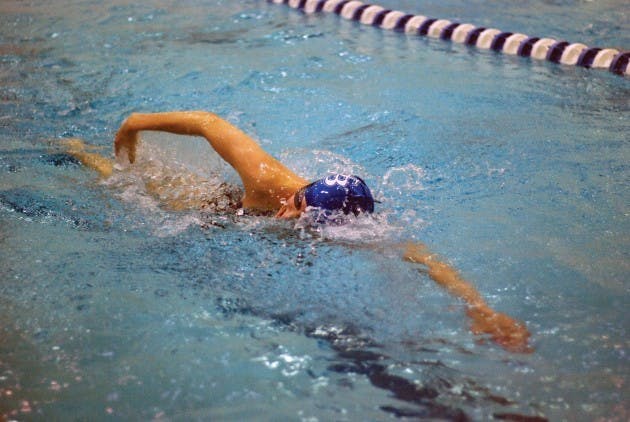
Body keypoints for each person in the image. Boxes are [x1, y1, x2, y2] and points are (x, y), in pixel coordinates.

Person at [65, 110, 531, 353]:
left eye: (304, 216)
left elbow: (422, 258)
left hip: (243, 224)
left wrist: (480, 309)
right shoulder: (268, 180)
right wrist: (136, 123)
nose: (290, 214)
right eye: (298, 202)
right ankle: (78, 152)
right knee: (134, 189)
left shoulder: (351, 227)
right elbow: (210, 124)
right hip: (221, 208)